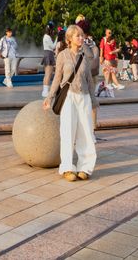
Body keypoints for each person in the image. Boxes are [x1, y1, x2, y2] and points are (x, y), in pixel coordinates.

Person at [43, 25, 96, 181]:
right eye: (77, 36)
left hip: (84, 96)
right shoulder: (62, 56)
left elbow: (89, 80)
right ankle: (67, 168)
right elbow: (57, 79)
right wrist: (49, 97)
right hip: (68, 97)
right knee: (67, 132)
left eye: (81, 35)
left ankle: (85, 167)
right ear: (69, 39)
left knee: (86, 132)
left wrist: (94, 100)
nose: (81, 38)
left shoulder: (85, 55)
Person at [41, 25, 56, 97]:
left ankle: (45, 90)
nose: (53, 31)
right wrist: (57, 39)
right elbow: (53, 47)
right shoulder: (47, 37)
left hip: (47, 54)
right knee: (48, 74)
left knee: (47, 74)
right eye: (52, 30)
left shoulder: (46, 36)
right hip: (49, 54)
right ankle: (45, 91)